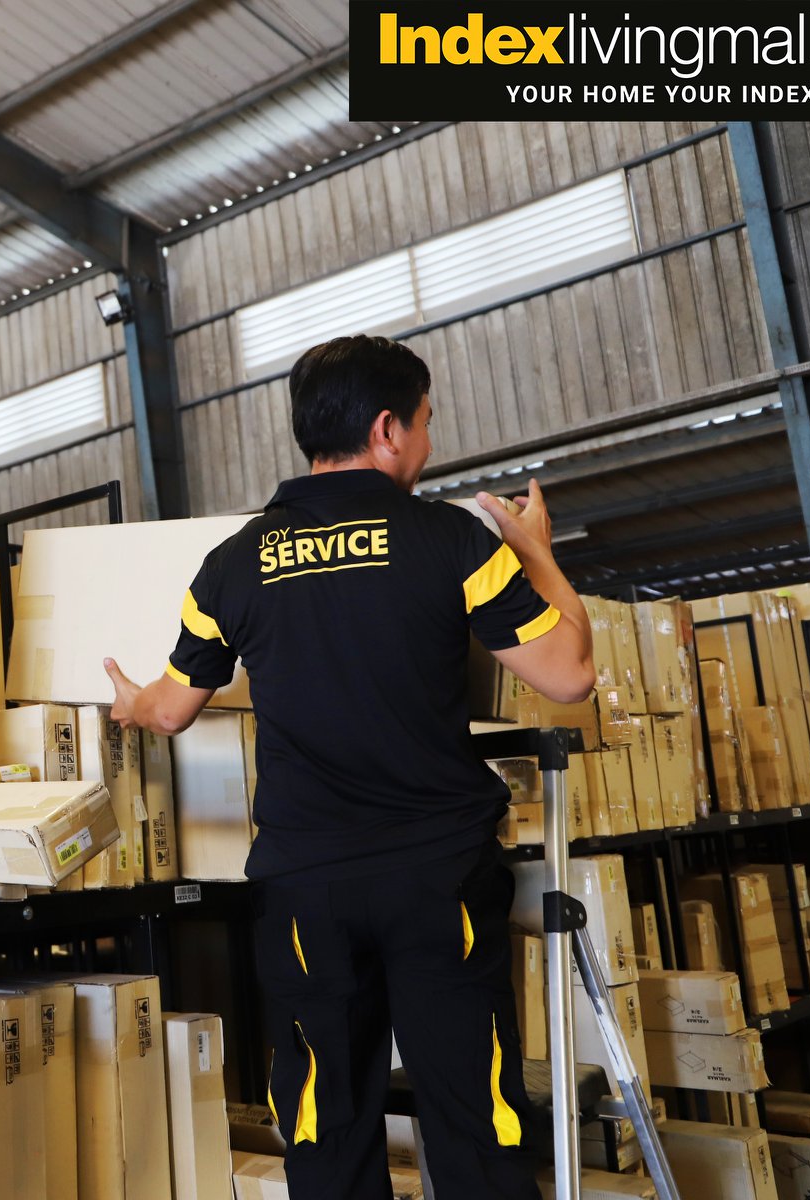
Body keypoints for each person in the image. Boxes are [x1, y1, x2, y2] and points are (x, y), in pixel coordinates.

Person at [106, 334, 594, 1199]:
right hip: (438, 881)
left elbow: (172, 709)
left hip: (308, 889)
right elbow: (569, 676)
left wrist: (130, 702)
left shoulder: (232, 566)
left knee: (323, 1122)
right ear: (386, 429)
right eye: (425, 423)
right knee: (476, 1114)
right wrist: (537, 554)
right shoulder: (452, 542)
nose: (428, 442)